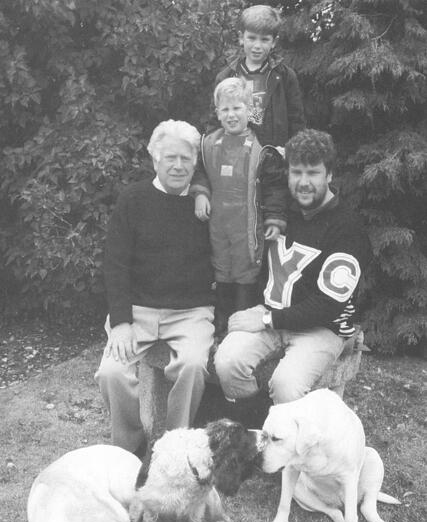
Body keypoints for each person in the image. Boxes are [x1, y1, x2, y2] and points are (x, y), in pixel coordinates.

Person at [214, 128, 371, 409]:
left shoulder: (347, 228)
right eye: (296, 172)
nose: (303, 182)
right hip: (271, 314)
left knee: (287, 384)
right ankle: (256, 427)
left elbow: (327, 306)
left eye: (313, 173)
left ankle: (286, 440)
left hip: (321, 328)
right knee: (227, 362)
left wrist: (266, 320)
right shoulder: (280, 210)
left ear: (330, 175)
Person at [95, 120, 215, 455]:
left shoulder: (206, 206)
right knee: (111, 373)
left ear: (195, 163)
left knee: (192, 365)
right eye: (170, 158)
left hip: (191, 311)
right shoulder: (133, 200)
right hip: (138, 310)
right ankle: (130, 449)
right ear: (155, 160)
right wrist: (120, 322)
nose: (178, 166)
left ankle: (174, 449)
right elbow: (115, 264)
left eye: (186, 159)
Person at [192, 77, 287, 336]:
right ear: (217, 113)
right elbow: (200, 173)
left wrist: (275, 219)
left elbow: (275, 187)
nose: (231, 115)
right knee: (222, 267)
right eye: (225, 109)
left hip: (248, 225)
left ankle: (242, 326)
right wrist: (200, 194)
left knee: (246, 270)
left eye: (237, 108)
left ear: (249, 110)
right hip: (218, 223)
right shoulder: (209, 143)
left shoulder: (263, 148)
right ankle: (221, 324)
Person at [212, 4, 305, 148]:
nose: (257, 45)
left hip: (274, 158)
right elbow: (214, 122)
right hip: (237, 157)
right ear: (241, 38)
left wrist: (292, 151)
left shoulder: (285, 76)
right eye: (252, 38)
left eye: (264, 39)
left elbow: (296, 121)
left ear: (273, 42)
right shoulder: (225, 77)